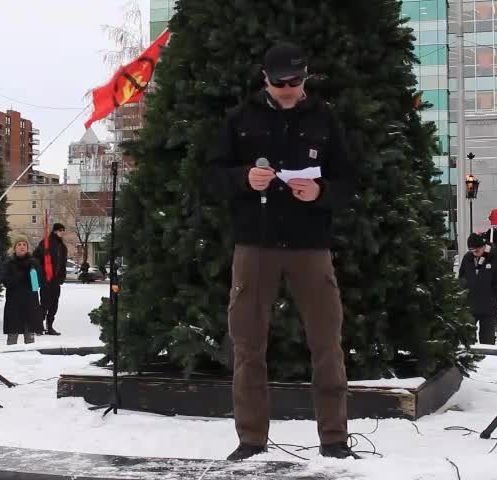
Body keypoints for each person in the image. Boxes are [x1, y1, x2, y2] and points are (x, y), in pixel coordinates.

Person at [212, 43, 357, 461]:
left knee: (327, 342)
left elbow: (349, 180)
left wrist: (322, 191)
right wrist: (244, 178)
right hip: (254, 246)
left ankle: (334, 439)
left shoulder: (325, 119)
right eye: (280, 83)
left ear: (306, 77)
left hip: (311, 247)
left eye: (295, 82)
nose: (288, 89)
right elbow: (209, 174)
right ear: (265, 79)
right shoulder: (240, 119)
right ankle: (251, 440)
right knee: (247, 345)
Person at [458, 233, 497, 345]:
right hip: (470, 305)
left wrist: (493, 296)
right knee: (468, 339)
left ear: (484, 246)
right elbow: (461, 278)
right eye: (471, 250)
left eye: (476, 250)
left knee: (487, 340)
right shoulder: (467, 258)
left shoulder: (496, 257)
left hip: (488, 307)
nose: (474, 253)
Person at [2, 235, 44, 345]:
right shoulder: (9, 263)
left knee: (29, 338)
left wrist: (31, 274)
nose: (22, 247)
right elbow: (7, 282)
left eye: (24, 245)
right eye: (19, 244)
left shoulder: (34, 263)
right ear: (14, 248)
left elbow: (36, 285)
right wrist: (20, 275)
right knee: (12, 338)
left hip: (30, 304)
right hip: (14, 305)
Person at [33, 223, 68, 335]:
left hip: (56, 280)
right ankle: (38, 325)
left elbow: (62, 264)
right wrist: (42, 273)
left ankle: (50, 326)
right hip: (46, 279)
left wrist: (61, 277)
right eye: (60, 230)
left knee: (54, 304)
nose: (62, 232)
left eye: (63, 230)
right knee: (44, 303)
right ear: (54, 231)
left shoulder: (62, 247)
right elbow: (36, 259)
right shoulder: (46, 243)